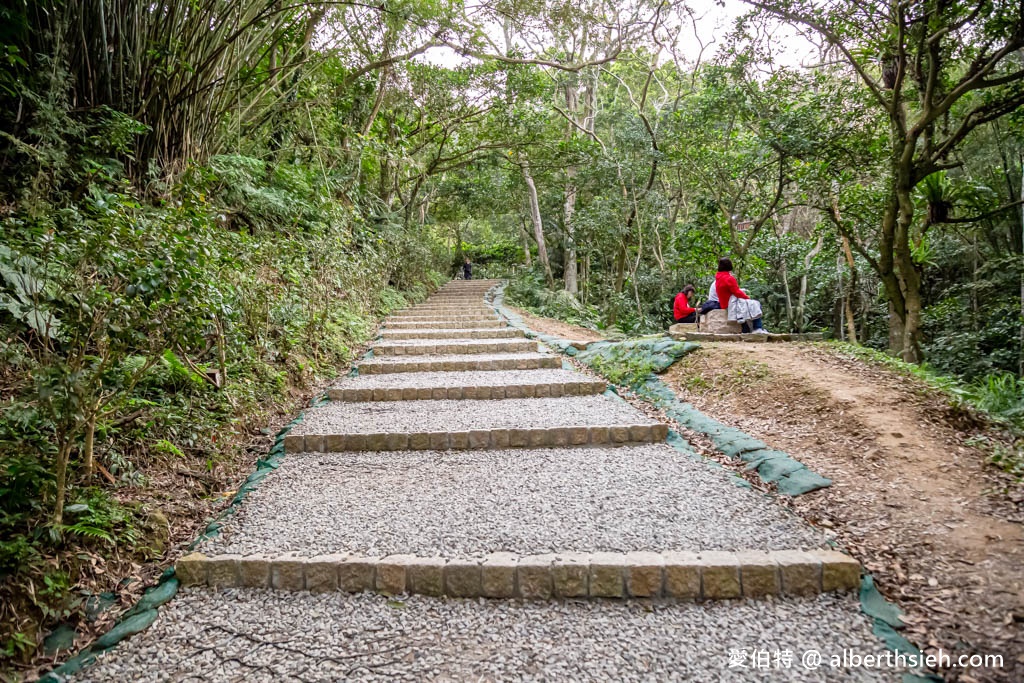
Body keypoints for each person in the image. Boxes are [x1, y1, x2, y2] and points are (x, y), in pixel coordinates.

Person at [713, 257, 766, 333]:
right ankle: (757, 328)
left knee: (746, 308)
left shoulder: (718, 278)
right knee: (755, 304)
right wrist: (747, 297)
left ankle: (746, 330)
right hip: (731, 303)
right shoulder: (729, 278)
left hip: (724, 303)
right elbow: (736, 292)